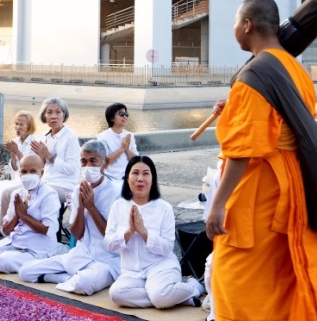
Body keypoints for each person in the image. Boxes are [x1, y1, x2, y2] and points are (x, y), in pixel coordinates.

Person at [204, 0, 317, 321]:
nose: (233, 29)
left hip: (261, 188)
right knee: (273, 277)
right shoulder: (294, 69)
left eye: (235, 21)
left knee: (235, 273)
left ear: (247, 25)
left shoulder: (255, 76)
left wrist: (218, 203)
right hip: (292, 182)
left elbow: (245, 148)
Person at [15, 139, 121, 294]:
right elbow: (77, 234)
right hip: (81, 254)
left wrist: (91, 207)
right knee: (26, 271)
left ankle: (68, 277)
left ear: (106, 162)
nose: (88, 167)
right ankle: (67, 277)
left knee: (83, 284)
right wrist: (82, 207)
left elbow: (113, 239)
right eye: (84, 162)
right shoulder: (79, 189)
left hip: (106, 260)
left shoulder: (117, 193)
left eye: (93, 161)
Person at [105, 155, 203, 309]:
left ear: (153, 178)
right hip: (132, 271)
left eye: (145, 173)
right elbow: (109, 244)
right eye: (135, 173)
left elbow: (166, 248)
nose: (140, 178)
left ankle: (194, 287)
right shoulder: (118, 206)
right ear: (127, 177)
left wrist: (144, 232)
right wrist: (129, 231)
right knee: (116, 294)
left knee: (159, 295)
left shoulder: (164, 208)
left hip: (160, 266)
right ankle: (175, 297)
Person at [0, 153, 61, 273]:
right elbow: (5, 231)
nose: (28, 175)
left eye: (33, 171)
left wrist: (24, 216)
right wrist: (16, 216)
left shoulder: (49, 195)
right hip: (15, 243)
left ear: (42, 173)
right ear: (19, 173)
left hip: (37, 248)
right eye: (24, 171)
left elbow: (48, 229)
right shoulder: (17, 193)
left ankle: (4, 260)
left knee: (2, 262)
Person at [27, 98, 81, 187]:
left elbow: (73, 170)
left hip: (63, 185)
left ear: (64, 115)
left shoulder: (71, 137)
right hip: (44, 182)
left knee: (34, 196)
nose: (53, 116)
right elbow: (41, 167)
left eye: (58, 112)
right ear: (44, 116)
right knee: (8, 193)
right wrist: (40, 156)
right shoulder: (44, 137)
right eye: (49, 112)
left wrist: (49, 156)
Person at [97, 103, 137, 182]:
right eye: (121, 114)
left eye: (126, 114)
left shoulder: (130, 135)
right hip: (110, 178)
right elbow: (104, 162)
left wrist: (127, 150)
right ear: (112, 118)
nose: (124, 117)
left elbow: (136, 160)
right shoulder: (102, 137)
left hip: (127, 178)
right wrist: (121, 149)